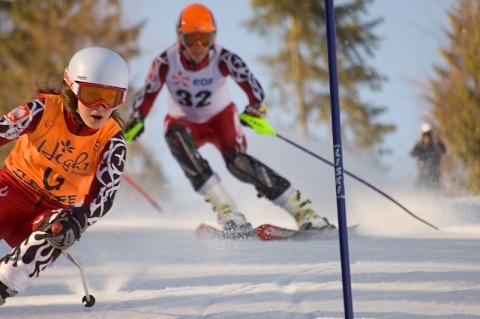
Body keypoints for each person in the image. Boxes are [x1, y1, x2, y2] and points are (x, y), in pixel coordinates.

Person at [125, 3, 335, 235]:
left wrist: (256, 108)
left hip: (220, 119)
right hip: (183, 122)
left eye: (204, 39)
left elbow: (253, 86)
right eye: (191, 39)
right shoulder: (166, 61)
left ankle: (305, 212)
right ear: (180, 39)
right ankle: (227, 211)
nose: (198, 46)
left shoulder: (224, 58)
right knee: (175, 137)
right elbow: (148, 92)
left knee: (238, 163)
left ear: (213, 38)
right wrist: (137, 118)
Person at [0, 47, 129, 305]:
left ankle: (4, 285)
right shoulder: (42, 110)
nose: (101, 107)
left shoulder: (112, 141)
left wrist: (80, 220)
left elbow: (104, 196)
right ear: (72, 88)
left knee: (62, 226)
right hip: (10, 192)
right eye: (92, 95)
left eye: (111, 98)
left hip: (50, 211)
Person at [410, 122, 446, 191]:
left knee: (437, 193)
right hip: (422, 177)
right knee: (417, 192)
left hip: (435, 178)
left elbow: (443, 151)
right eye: (425, 135)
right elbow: (412, 153)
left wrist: (436, 140)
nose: (427, 138)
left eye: (429, 135)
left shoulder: (435, 146)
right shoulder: (420, 147)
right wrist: (419, 141)